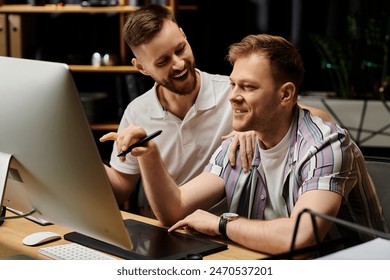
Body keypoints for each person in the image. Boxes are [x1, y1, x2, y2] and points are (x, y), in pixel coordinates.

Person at [121, 34, 387, 256]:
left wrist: (220, 224)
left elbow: (302, 235)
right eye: (233, 84)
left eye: (247, 87)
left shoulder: (326, 147)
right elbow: (174, 209)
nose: (233, 96)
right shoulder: (238, 143)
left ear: (286, 94)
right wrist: (149, 155)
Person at [100, 5, 331, 219]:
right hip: (163, 222)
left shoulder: (232, 92)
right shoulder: (137, 111)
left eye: (181, 49)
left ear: (184, 35)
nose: (179, 63)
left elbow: (319, 119)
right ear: (141, 67)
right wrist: (81, 157)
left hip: (220, 224)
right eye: (163, 62)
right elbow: (122, 189)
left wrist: (256, 126)